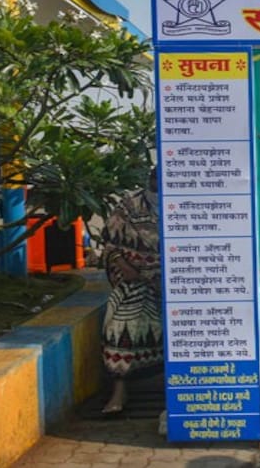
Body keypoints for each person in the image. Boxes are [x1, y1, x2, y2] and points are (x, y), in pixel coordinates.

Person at [100, 167, 163, 414]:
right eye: (156, 179)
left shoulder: (188, 200)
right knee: (119, 326)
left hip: (180, 281)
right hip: (135, 280)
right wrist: (128, 269)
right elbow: (110, 245)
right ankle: (119, 392)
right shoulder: (130, 205)